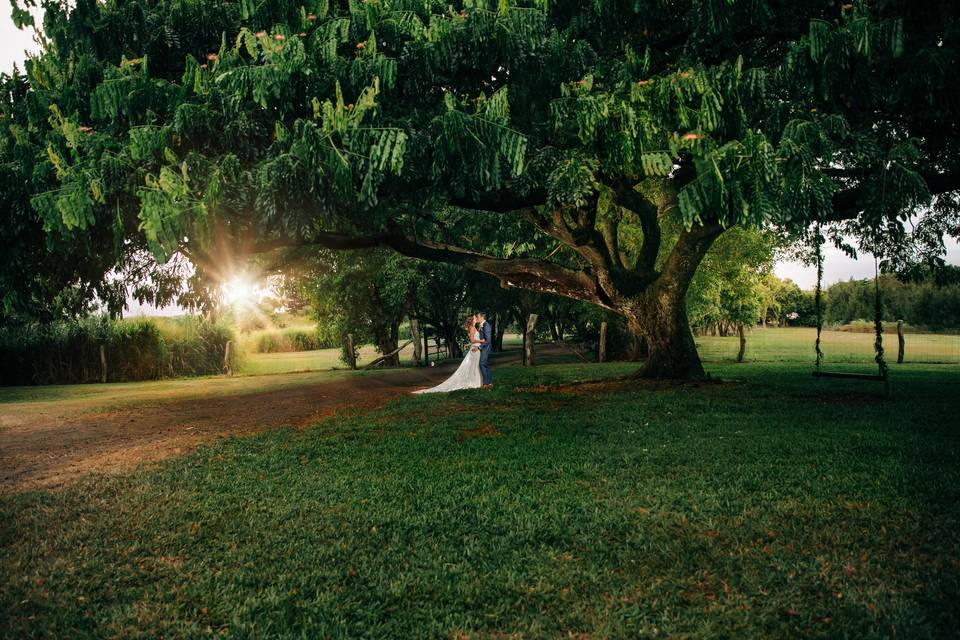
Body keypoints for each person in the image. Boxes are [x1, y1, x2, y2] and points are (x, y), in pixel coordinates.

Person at [413, 313, 484, 394]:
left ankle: (477, 381)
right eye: (474, 318)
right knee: (474, 366)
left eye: (475, 317)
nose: (476, 318)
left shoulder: (475, 327)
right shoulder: (471, 327)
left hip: (476, 348)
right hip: (475, 348)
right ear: (473, 319)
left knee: (476, 365)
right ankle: (475, 382)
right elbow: (472, 340)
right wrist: (481, 341)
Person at [477, 311, 493, 388]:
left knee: (482, 364)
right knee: (485, 364)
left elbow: (488, 340)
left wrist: (479, 347)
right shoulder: (482, 325)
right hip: (485, 347)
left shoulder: (486, 325)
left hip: (486, 347)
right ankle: (489, 383)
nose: (477, 318)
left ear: (482, 317)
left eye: (478, 317)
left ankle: (485, 383)